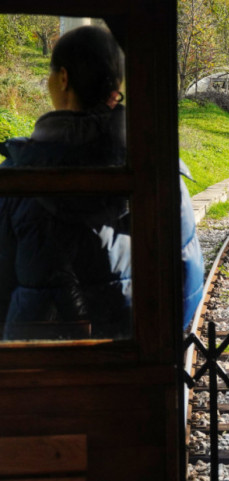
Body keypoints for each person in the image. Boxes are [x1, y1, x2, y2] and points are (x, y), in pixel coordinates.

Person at [0, 25, 203, 339]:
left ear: (63, 78)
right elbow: (187, 280)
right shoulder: (156, 166)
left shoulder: (18, 175)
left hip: (39, 369)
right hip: (135, 360)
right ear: (116, 84)